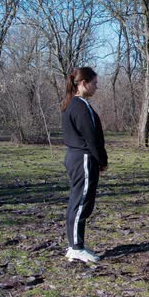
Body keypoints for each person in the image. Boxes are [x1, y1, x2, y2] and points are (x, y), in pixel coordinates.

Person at [61, 67, 107, 262]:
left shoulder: (72, 104)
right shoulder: (80, 106)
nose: (96, 87)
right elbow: (92, 138)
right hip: (83, 159)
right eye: (94, 83)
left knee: (77, 200)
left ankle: (74, 245)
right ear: (83, 83)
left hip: (76, 157)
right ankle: (76, 247)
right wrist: (102, 160)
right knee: (81, 202)